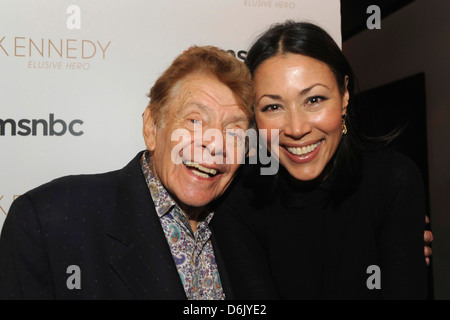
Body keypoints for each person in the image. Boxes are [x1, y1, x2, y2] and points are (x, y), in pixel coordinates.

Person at [0, 46, 254, 299]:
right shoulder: (50, 220)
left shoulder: (245, 225)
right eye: (195, 121)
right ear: (152, 126)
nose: (215, 144)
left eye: (234, 132)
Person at [211, 21, 430, 299]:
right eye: (273, 106)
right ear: (254, 115)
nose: (296, 128)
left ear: (344, 95)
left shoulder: (394, 179)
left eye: (313, 100)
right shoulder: (237, 198)